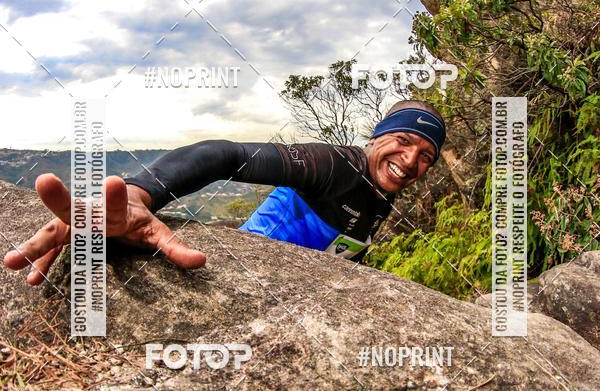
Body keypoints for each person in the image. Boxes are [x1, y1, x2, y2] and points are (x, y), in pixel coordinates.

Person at [3, 100, 445, 284]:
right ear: (376, 138)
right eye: (403, 141)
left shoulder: (386, 188)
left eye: (426, 155)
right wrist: (140, 194)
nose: (411, 161)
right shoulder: (335, 165)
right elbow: (224, 153)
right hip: (245, 279)